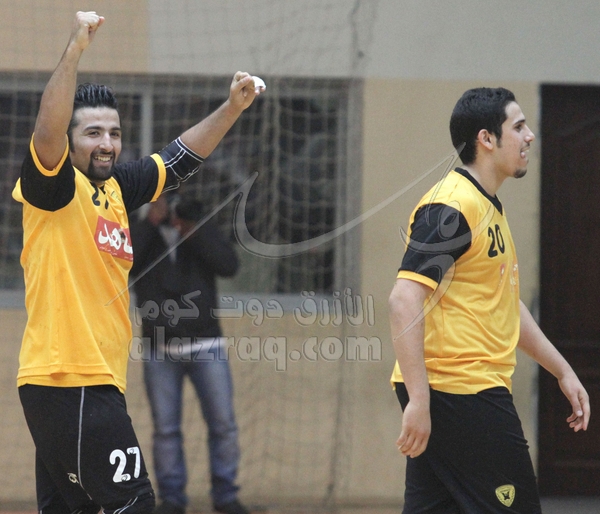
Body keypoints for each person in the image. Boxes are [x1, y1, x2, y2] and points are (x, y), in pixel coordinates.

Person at [12, 11, 262, 514]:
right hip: (70, 378)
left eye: (114, 132)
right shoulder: (54, 187)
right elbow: (47, 128)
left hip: (89, 381)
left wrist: (231, 108)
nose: (106, 143)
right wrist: (74, 51)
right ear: (70, 141)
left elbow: (178, 160)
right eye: (92, 133)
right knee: (135, 503)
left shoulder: (116, 189)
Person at [388, 87, 590, 513]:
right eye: (518, 127)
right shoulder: (452, 207)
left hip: (459, 391)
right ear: (486, 139)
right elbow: (403, 299)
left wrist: (561, 369)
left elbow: (505, 304)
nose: (530, 136)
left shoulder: (486, 206)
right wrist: (420, 400)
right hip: (461, 392)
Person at [129, 197, 247, 514]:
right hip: (159, 349)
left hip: (206, 345)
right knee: (165, 430)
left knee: (223, 424)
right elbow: (124, 264)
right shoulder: (141, 230)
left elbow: (228, 265)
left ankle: (225, 496)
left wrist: (190, 229)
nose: (165, 204)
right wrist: (151, 223)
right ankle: (171, 499)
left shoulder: (197, 226)